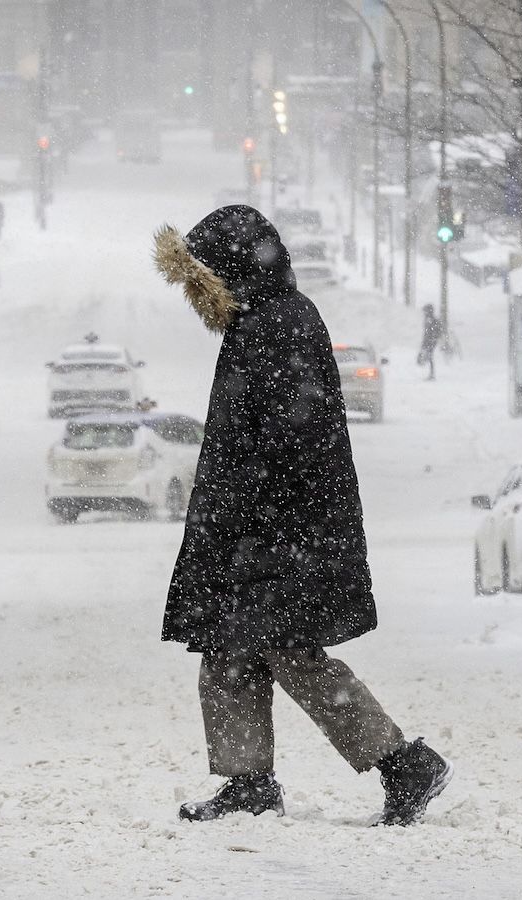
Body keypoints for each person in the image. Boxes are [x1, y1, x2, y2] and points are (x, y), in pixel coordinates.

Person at [153, 205, 452, 827]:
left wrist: (249, 512)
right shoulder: (263, 319)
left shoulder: (278, 324)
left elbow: (291, 437)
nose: (198, 295)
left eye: (203, 279)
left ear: (231, 270)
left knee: (288, 651)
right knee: (230, 648)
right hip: (263, 526)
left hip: (282, 528)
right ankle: (248, 783)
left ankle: (403, 763)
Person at [419, 304, 444, 380]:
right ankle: (431, 373)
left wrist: (433, 339)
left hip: (431, 341)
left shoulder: (432, 320)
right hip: (429, 341)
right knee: (429, 356)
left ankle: (431, 374)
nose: (424, 313)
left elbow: (436, 332)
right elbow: (426, 332)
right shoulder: (428, 320)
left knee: (429, 356)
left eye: (425, 311)